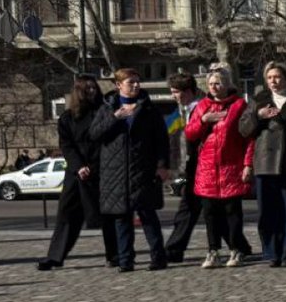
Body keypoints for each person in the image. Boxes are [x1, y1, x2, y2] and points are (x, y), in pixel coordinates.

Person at [90, 68, 170, 272]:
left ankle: (158, 257)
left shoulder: (149, 108)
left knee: (148, 215)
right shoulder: (108, 107)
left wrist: (162, 165)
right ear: (118, 85)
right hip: (115, 172)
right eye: (130, 82)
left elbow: (161, 139)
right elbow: (94, 134)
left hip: (143, 169)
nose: (135, 85)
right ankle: (125, 260)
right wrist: (115, 117)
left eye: (137, 82)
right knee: (121, 218)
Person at [239, 61, 286, 267]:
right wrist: (258, 116)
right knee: (269, 212)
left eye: (277, 77)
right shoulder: (259, 100)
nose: (274, 81)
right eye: (270, 77)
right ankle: (272, 251)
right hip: (266, 163)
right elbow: (243, 129)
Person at [39, 74, 117, 270]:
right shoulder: (67, 117)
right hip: (77, 172)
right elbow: (66, 145)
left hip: (101, 170)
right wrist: (79, 166)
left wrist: (93, 165)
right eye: (87, 89)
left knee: (109, 215)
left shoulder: (104, 111)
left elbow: (107, 140)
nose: (91, 91)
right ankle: (55, 256)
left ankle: (114, 255)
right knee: (66, 215)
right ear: (79, 92)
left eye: (94, 88)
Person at [185, 66, 254, 268]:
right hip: (207, 168)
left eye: (218, 83)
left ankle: (236, 249)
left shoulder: (239, 105)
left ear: (227, 84)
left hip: (231, 166)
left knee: (233, 212)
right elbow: (190, 134)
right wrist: (204, 121)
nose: (214, 87)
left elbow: (249, 138)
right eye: (211, 84)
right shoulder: (201, 106)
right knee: (210, 213)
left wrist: (247, 164)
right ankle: (213, 250)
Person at [162, 73, 202, 263]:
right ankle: (173, 249)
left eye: (175, 92)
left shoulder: (201, 109)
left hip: (202, 167)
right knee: (189, 209)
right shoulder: (179, 113)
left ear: (187, 92)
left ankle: (173, 249)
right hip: (189, 168)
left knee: (195, 210)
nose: (173, 96)